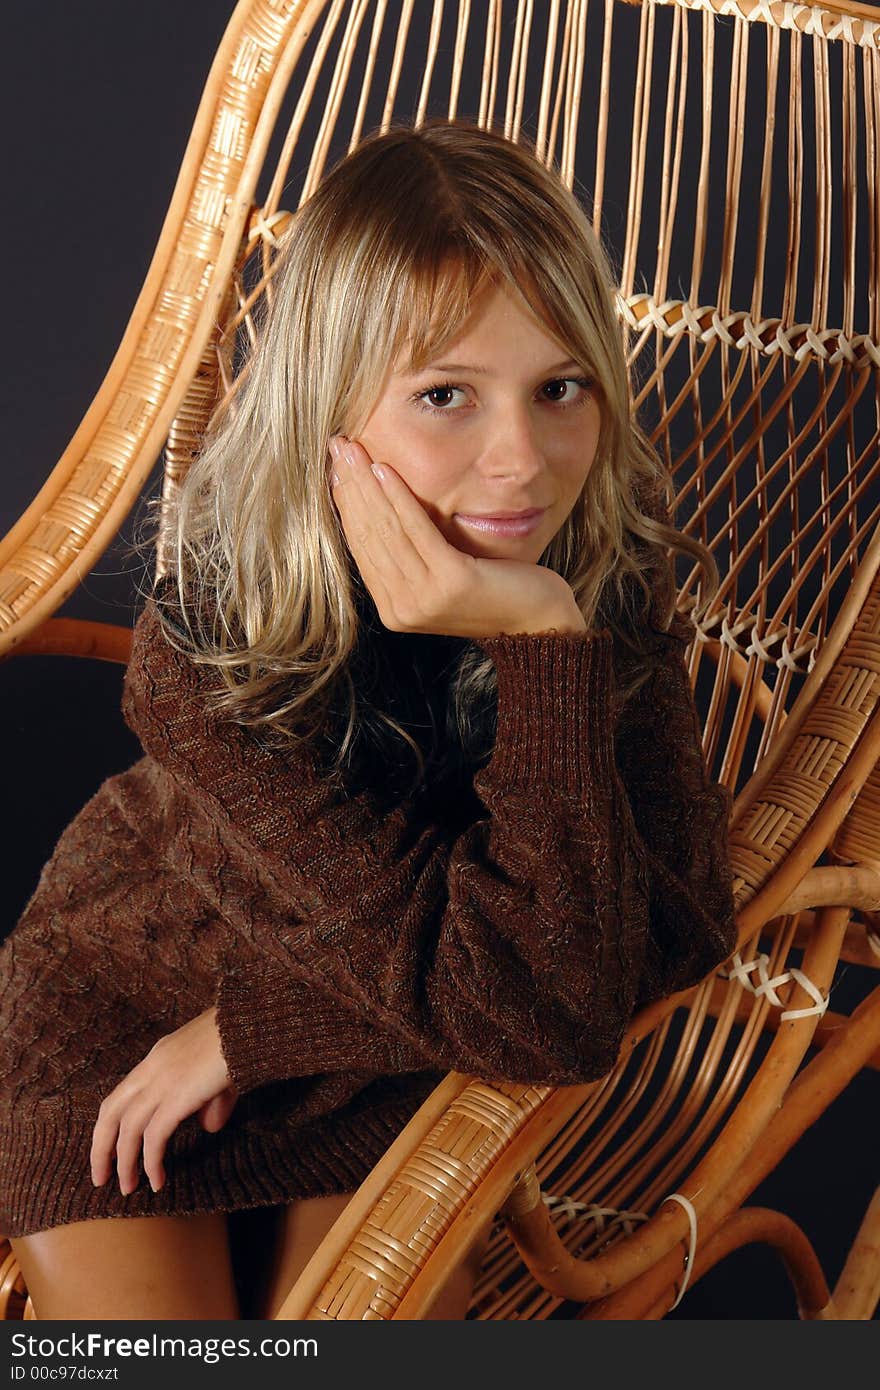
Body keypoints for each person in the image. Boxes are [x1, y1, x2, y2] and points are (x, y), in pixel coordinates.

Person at [0, 116, 738, 1321]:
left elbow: (653, 937)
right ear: (330, 413)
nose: (522, 462)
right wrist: (230, 1021)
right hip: (129, 1016)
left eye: (560, 389)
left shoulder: (596, 585)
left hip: (386, 1047)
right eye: (445, 394)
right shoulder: (210, 642)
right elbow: (548, 975)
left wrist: (544, 643)